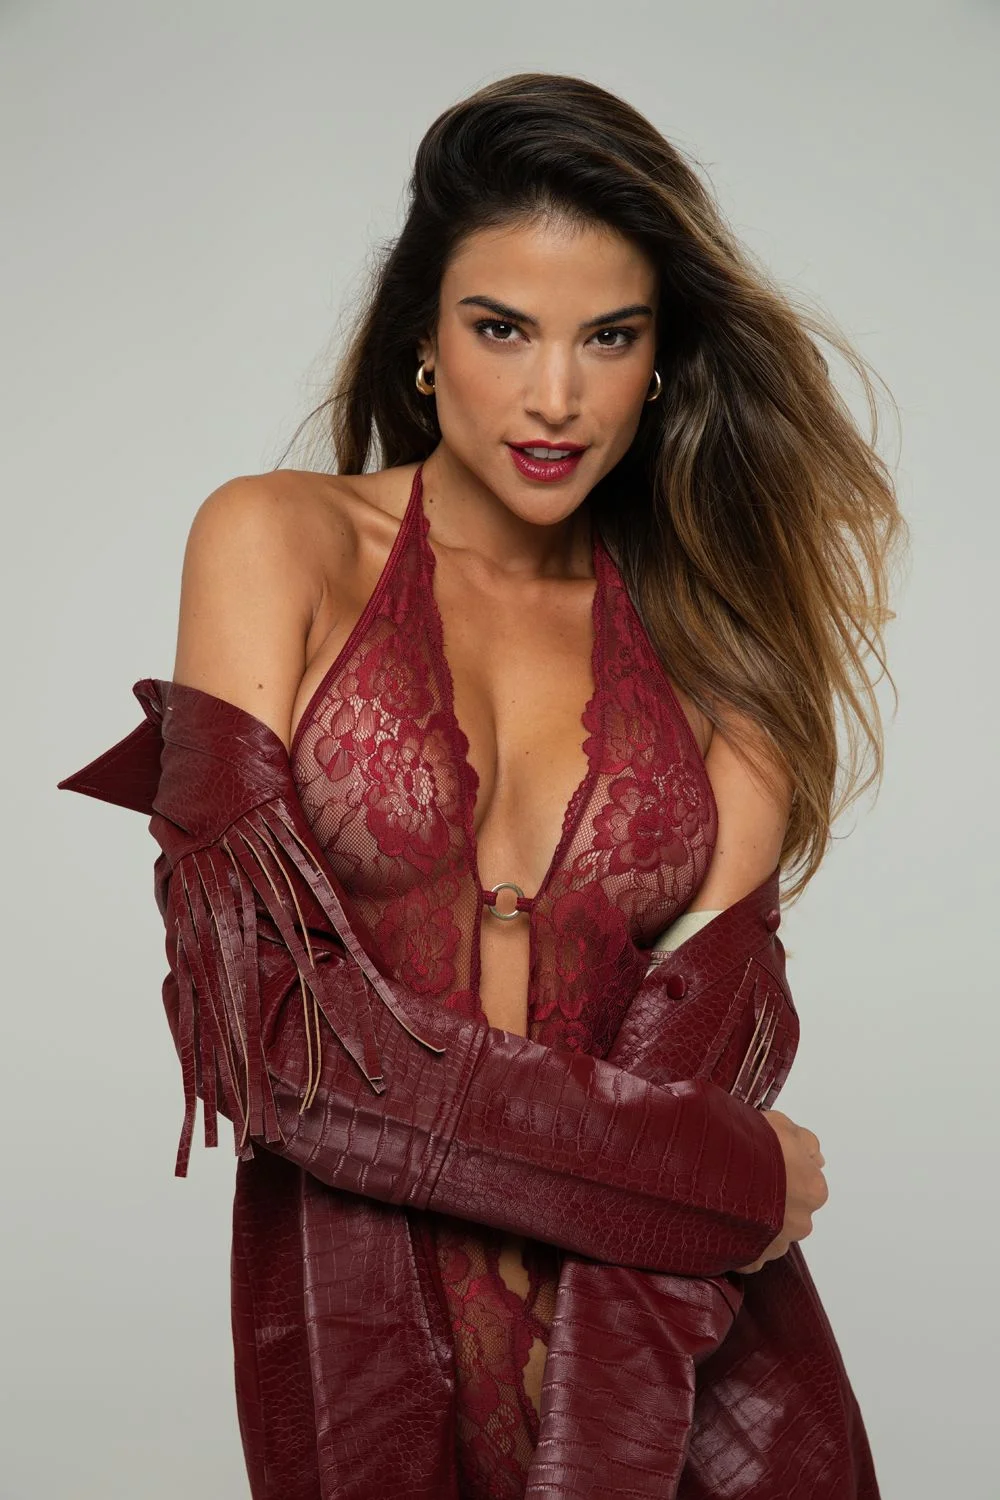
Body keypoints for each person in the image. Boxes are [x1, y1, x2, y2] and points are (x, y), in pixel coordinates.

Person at [63, 71, 904, 1499]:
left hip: (695, 1382)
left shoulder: (725, 646)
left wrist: (702, 1174)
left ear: (661, 360)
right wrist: (722, 1178)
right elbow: (277, 1044)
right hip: (376, 1359)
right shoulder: (278, 543)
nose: (555, 396)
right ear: (424, 340)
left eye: (609, 336)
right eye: (502, 328)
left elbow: (699, 1052)